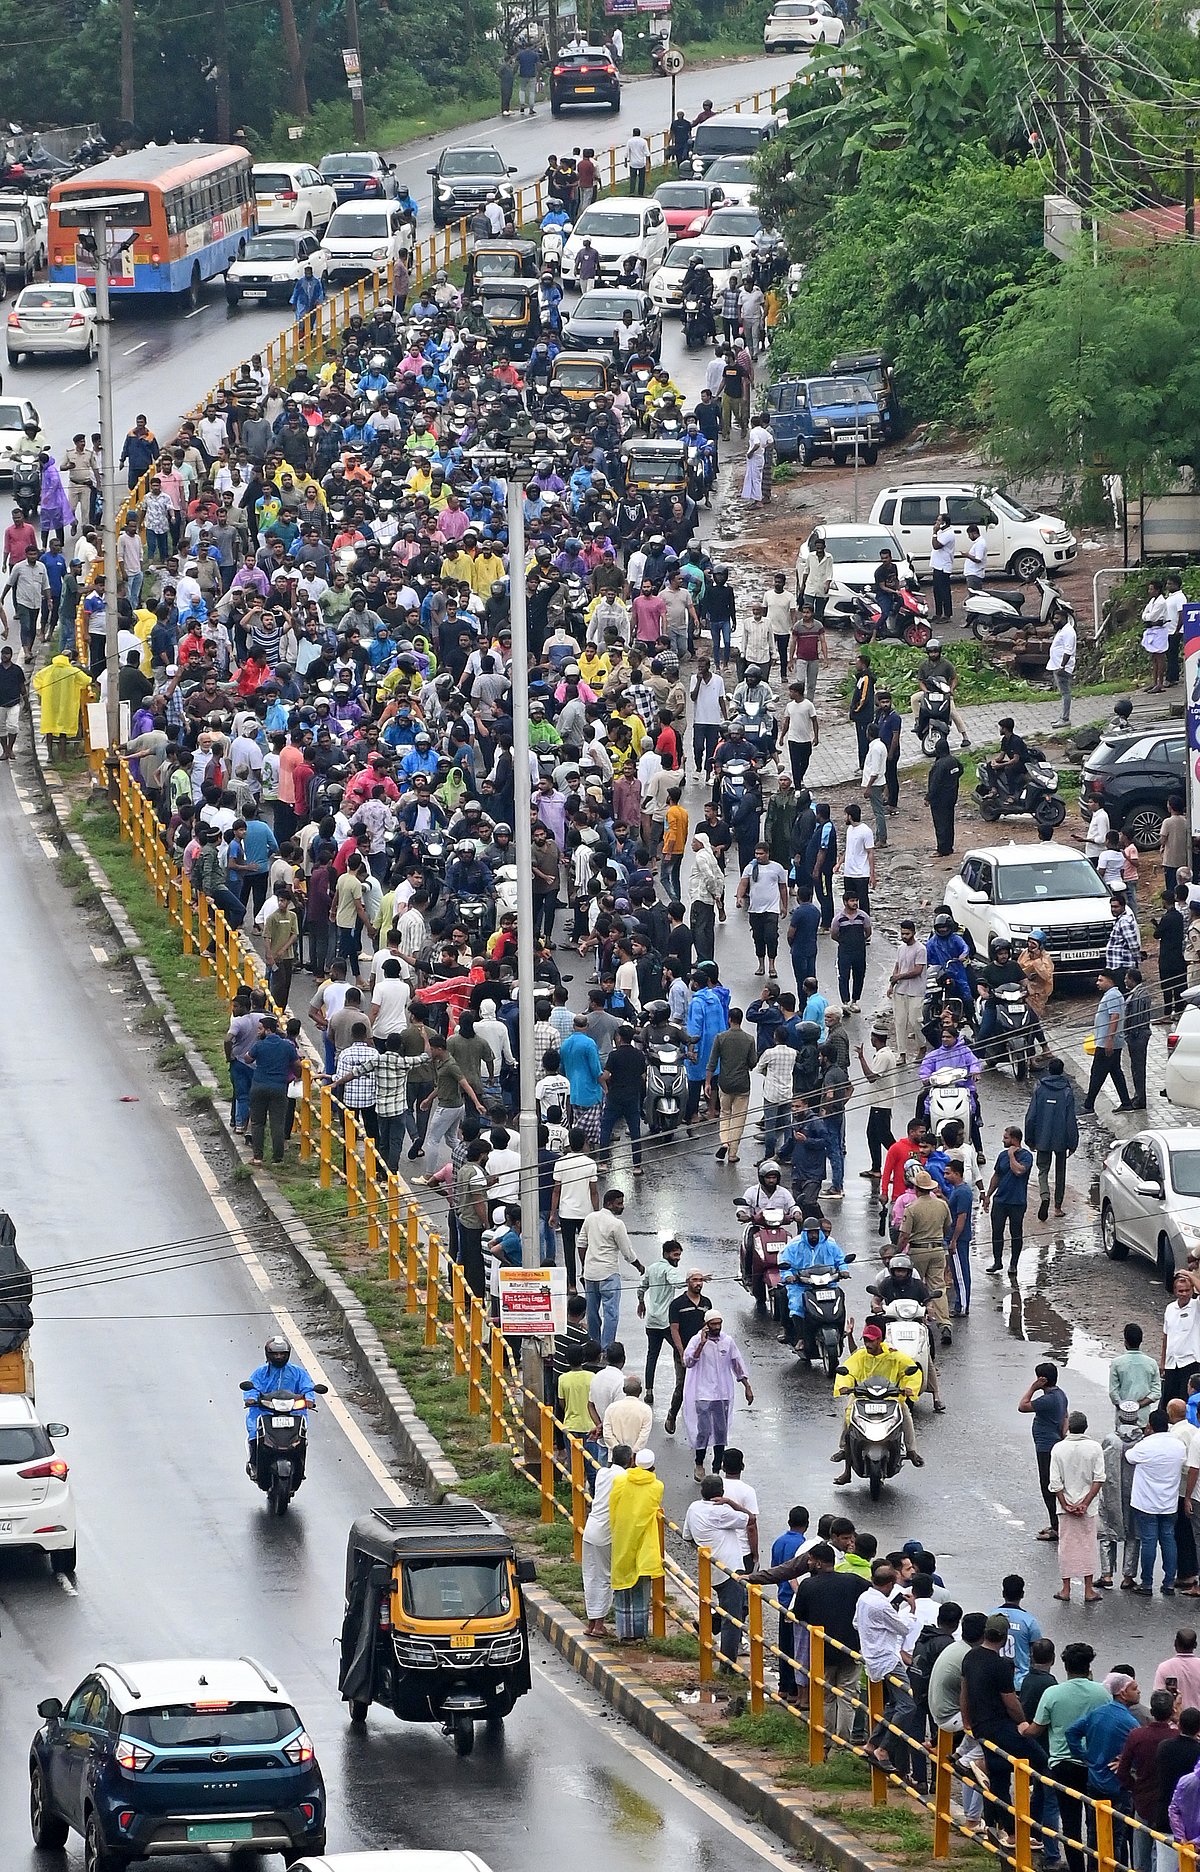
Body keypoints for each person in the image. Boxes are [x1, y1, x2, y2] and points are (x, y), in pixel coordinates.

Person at [1021, 1643, 1108, 1872]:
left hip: (1062, 1765)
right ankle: (1096, 1867)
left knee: (1070, 1823)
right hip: (1093, 1764)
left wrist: (1021, 1727)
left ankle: (1076, 1867)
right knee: (1096, 1821)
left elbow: (1036, 1730)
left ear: (1065, 1665)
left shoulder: (1053, 1693)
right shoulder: (1102, 1693)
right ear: (1089, 1665)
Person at [833, 1323, 923, 1481]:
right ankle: (845, 1460)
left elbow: (911, 1369)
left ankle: (911, 1450)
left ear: (880, 1340)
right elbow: (848, 1370)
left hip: (890, 1397)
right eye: (865, 1340)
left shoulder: (894, 1355)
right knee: (849, 1416)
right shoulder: (861, 1355)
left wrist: (909, 1388)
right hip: (863, 1396)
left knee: (905, 1414)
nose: (868, 1344)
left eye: (871, 1340)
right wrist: (844, 1386)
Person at [683, 1475, 750, 1669]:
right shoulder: (722, 1511)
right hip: (730, 1571)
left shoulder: (693, 1508)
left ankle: (710, 1623)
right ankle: (728, 1667)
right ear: (721, 1492)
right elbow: (749, 1518)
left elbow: (687, 1536)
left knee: (741, 1604)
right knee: (733, 1620)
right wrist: (730, 1502)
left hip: (710, 1570)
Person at [682, 1310, 753, 1481]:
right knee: (704, 1431)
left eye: (719, 1323)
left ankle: (716, 1470)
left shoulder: (727, 1341)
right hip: (703, 1394)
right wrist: (701, 1345)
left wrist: (747, 1386)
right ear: (706, 1325)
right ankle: (699, 1463)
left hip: (722, 1394)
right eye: (713, 1324)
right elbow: (688, 1362)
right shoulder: (696, 1340)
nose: (717, 1327)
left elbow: (737, 1364)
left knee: (721, 1432)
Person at [1126, 1407, 1189, 1593]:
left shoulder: (1145, 1446)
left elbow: (1129, 1457)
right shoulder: (1178, 1446)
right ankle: (1169, 1582)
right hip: (1169, 1502)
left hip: (1146, 1502)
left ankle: (1147, 1583)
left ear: (1150, 1426)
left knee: (1149, 1542)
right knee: (1168, 1540)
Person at [1048, 1411, 1107, 1604]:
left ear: (1068, 1427)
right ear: (1085, 1427)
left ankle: (1066, 1589)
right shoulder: (1095, 1448)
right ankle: (1088, 1589)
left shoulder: (1058, 1448)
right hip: (1087, 1508)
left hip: (1065, 1506)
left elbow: (1055, 1482)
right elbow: (1099, 1479)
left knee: (1066, 1546)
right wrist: (1085, 1503)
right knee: (1088, 1545)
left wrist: (1065, 1504)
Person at [578, 1187, 644, 1349]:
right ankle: (607, 1348)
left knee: (592, 1313)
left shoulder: (590, 1218)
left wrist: (585, 1266)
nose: (622, 1207)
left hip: (590, 1274)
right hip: (609, 1274)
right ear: (609, 1204)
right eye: (619, 1203)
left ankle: (593, 1346)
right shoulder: (617, 1224)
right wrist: (639, 1266)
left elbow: (581, 1244)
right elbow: (627, 1252)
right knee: (611, 1314)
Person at [243, 1333, 316, 1468]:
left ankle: (299, 1466)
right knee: (255, 1432)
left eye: (282, 1354)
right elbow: (252, 1387)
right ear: (268, 1354)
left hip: (293, 1412)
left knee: (301, 1437)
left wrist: (309, 1399)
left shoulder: (298, 1372)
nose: (279, 1357)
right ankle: (254, 1462)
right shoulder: (260, 1373)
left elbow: (307, 1387)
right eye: (275, 1354)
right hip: (265, 1411)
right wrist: (251, 1399)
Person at [1019, 1362, 1069, 1541]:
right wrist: (1062, 1435)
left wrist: (1033, 1388)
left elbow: (1022, 1406)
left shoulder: (1047, 1400)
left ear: (1042, 1380)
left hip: (1045, 1446)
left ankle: (1056, 1527)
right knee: (1055, 1483)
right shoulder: (1060, 1394)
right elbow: (1065, 1416)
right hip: (1055, 1442)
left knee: (1048, 1486)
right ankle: (1058, 1523)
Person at [637, 1238, 687, 1404]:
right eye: (675, 1255)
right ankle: (684, 1385)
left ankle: (649, 1391)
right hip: (666, 1322)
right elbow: (678, 1283)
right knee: (681, 1351)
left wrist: (641, 1302)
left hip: (652, 1321)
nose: (678, 1258)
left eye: (679, 1255)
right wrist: (693, 1279)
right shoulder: (668, 1269)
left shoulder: (651, 1268)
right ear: (666, 1254)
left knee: (652, 1356)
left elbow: (641, 1287)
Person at [246, 1011, 299, 1165]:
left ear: (268, 1030)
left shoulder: (259, 1045)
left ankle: (257, 1157)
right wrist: (298, 1076)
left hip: (259, 1086)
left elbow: (248, 1059)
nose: (258, 1032)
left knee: (257, 1123)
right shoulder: (287, 1046)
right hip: (279, 1087)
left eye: (260, 1029)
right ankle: (277, 1158)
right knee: (277, 1123)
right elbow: (297, 1064)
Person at [1083, 967, 1136, 1114]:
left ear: (1110, 981)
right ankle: (1126, 1102)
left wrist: (1109, 1039)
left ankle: (1088, 1105)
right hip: (1109, 1041)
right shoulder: (1112, 994)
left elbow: (1114, 1016)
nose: (1097, 983)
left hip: (1107, 1042)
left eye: (1101, 980)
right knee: (1115, 1072)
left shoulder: (1112, 995)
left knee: (1097, 1073)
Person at [983, 1125, 1034, 1276]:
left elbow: (1018, 1171)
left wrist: (1012, 1155)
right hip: (1000, 1200)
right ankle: (997, 1261)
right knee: (997, 1231)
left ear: (1015, 1139)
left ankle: (1013, 1264)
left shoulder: (1026, 1156)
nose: (1003, 1140)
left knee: (1016, 1232)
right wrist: (988, 1195)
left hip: (1017, 1202)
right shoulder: (1002, 1155)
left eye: (1006, 1138)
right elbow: (997, 1175)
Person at [1111, 1323, 1163, 1429]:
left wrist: (1124, 1407)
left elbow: (1113, 1393)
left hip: (1122, 1419)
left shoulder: (1117, 1363)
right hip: (1143, 1418)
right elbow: (1156, 1392)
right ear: (1141, 1341)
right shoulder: (1151, 1363)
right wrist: (1138, 1405)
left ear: (1125, 1342)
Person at [1163, 1272, 1200, 1404]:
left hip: (1190, 1362)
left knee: (1186, 1402)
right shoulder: (1170, 1308)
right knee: (1168, 1403)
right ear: (1175, 1291)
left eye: (1187, 1290)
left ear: (1192, 1291)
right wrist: (1163, 1363)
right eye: (1180, 1291)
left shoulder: (1196, 1306)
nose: (1184, 1294)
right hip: (1171, 1364)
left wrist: (1188, 1274)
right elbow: (1166, 1335)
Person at [925, 737, 964, 858]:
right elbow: (960, 770)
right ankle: (949, 846)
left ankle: (942, 849)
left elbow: (935, 783)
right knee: (949, 822)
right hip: (951, 796)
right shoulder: (953, 761)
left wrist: (928, 797)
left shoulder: (940, 765)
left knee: (940, 824)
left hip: (940, 799)